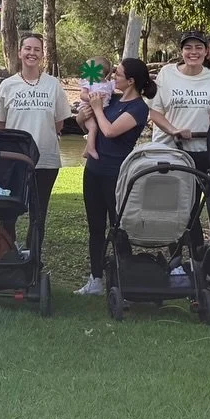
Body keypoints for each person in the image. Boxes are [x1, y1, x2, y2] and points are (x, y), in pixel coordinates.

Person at [74, 56, 155, 296]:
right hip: (94, 171)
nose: (112, 77)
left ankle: (125, 279)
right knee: (95, 227)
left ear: (130, 81)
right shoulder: (112, 100)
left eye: (117, 74)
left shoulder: (138, 108)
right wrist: (83, 116)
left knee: (118, 226)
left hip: (116, 174)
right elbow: (88, 125)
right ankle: (96, 278)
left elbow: (109, 131)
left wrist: (97, 109)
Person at [0, 33, 71, 256]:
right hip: (13, 161)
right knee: (9, 211)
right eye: (27, 48)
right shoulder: (8, 85)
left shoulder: (53, 85)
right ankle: (8, 253)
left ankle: (32, 256)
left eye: (37, 49)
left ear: (43, 55)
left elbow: (59, 123)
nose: (31, 53)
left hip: (45, 160)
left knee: (38, 212)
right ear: (20, 53)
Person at [147, 30, 210, 169]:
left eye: (199, 47)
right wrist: (173, 130)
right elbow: (155, 112)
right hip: (167, 149)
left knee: (196, 189)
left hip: (200, 149)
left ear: (206, 52)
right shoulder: (166, 73)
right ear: (181, 52)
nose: (193, 52)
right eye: (188, 48)